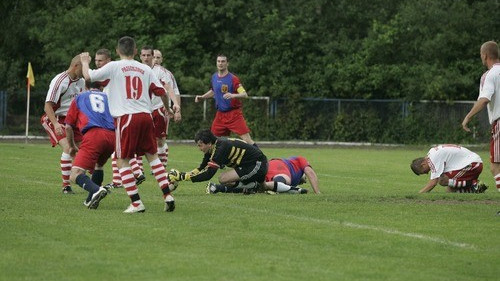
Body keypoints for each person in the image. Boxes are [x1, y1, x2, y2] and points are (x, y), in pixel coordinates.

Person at [80, 36, 179, 213]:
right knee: (153, 157)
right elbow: (162, 92)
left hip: (126, 118)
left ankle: (136, 203)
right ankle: (168, 195)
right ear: (135, 51)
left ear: (117, 51)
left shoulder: (114, 66)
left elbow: (88, 76)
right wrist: (167, 108)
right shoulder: (145, 68)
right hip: (146, 117)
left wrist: (85, 62)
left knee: (122, 160)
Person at [65, 81, 114, 209]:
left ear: (85, 87)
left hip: (94, 134)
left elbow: (68, 127)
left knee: (74, 174)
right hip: (112, 136)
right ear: (102, 87)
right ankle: (90, 200)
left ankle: (97, 190)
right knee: (99, 165)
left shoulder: (80, 97)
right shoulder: (110, 97)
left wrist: (71, 146)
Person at [41, 54, 85, 194]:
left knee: (86, 150)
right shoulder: (60, 81)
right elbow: (47, 106)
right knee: (68, 148)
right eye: (84, 67)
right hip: (55, 119)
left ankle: (89, 181)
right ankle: (66, 186)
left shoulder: (82, 82)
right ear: (75, 66)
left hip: (72, 121)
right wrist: (55, 124)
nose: (86, 71)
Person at [168, 129, 268, 191]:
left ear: (209, 143)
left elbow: (208, 174)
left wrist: (182, 177)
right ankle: (254, 186)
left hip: (257, 165)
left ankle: (253, 186)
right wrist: (184, 175)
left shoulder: (220, 148)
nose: (200, 149)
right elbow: (201, 168)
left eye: (200, 145)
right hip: (247, 165)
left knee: (223, 179)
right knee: (265, 186)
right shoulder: (213, 148)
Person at [462, 40, 500, 192]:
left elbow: (484, 99)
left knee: (495, 167)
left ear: (485, 56)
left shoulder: (490, 75)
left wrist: (468, 117)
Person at [195, 54, 256, 146]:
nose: (220, 63)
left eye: (223, 61)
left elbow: (244, 94)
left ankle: (261, 159)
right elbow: (213, 91)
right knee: (214, 140)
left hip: (234, 115)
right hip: (220, 115)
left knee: (247, 140)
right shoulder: (214, 77)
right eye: (218, 61)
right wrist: (202, 97)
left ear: (227, 64)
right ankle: (215, 160)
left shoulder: (233, 79)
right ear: (216, 63)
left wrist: (233, 95)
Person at [140, 46, 181, 169]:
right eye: (144, 55)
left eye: (149, 55)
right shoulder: (137, 69)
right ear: (140, 56)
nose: (147, 58)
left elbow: (169, 88)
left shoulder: (161, 72)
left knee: (159, 140)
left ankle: (161, 167)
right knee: (139, 138)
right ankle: (139, 171)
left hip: (159, 108)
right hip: (142, 109)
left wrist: (175, 104)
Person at [206, 156, 320, 195]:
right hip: (280, 167)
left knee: (251, 186)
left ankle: (216, 187)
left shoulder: (296, 175)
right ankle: (271, 188)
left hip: (266, 166)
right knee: (283, 180)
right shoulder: (299, 160)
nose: (304, 179)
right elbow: (310, 172)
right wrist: (317, 192)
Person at [410, 144, 488, 193]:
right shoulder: (432, 153)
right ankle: (475, 189)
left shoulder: (432, 159)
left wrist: (420, 194)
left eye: (423, 172)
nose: (427, 173)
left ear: (423, 164)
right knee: (450, 190)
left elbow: (433, 183)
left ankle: (473, 184)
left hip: (472, 164)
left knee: (442, 180)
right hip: (472, 162)